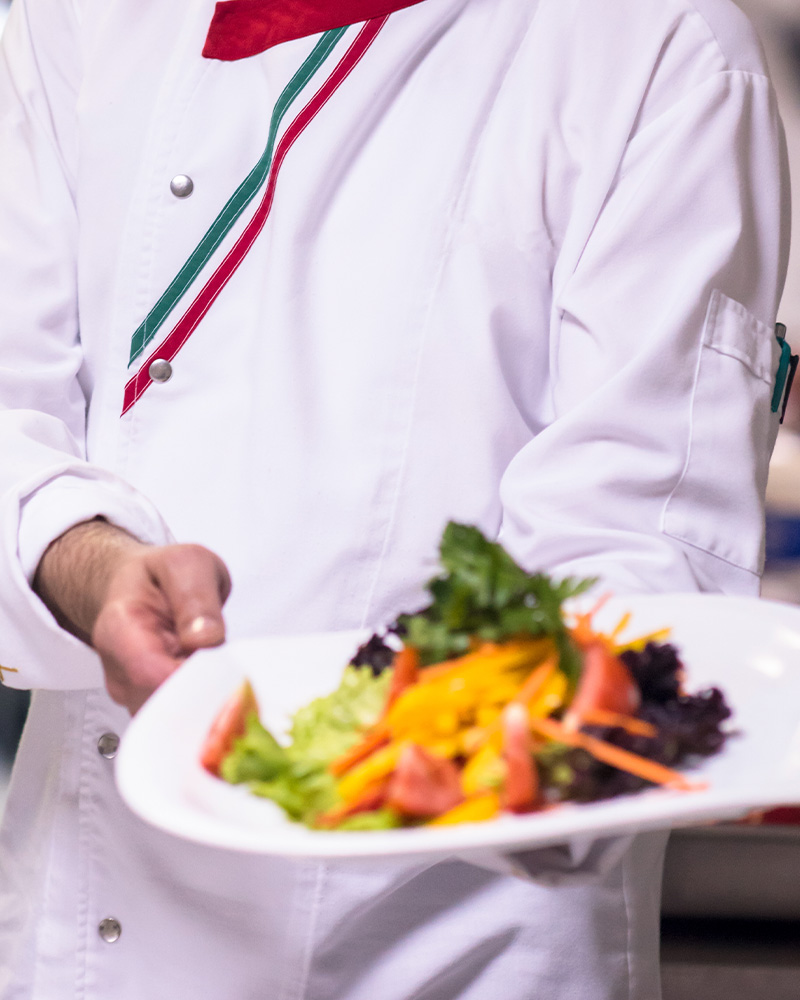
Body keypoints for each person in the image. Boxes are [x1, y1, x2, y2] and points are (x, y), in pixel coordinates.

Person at [0, 0, 790, 996]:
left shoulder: (652, 40)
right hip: (81, 932)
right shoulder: (73, 16)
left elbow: (630, 556)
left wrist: (535, 766)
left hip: (449, 949)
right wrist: (96, 565)